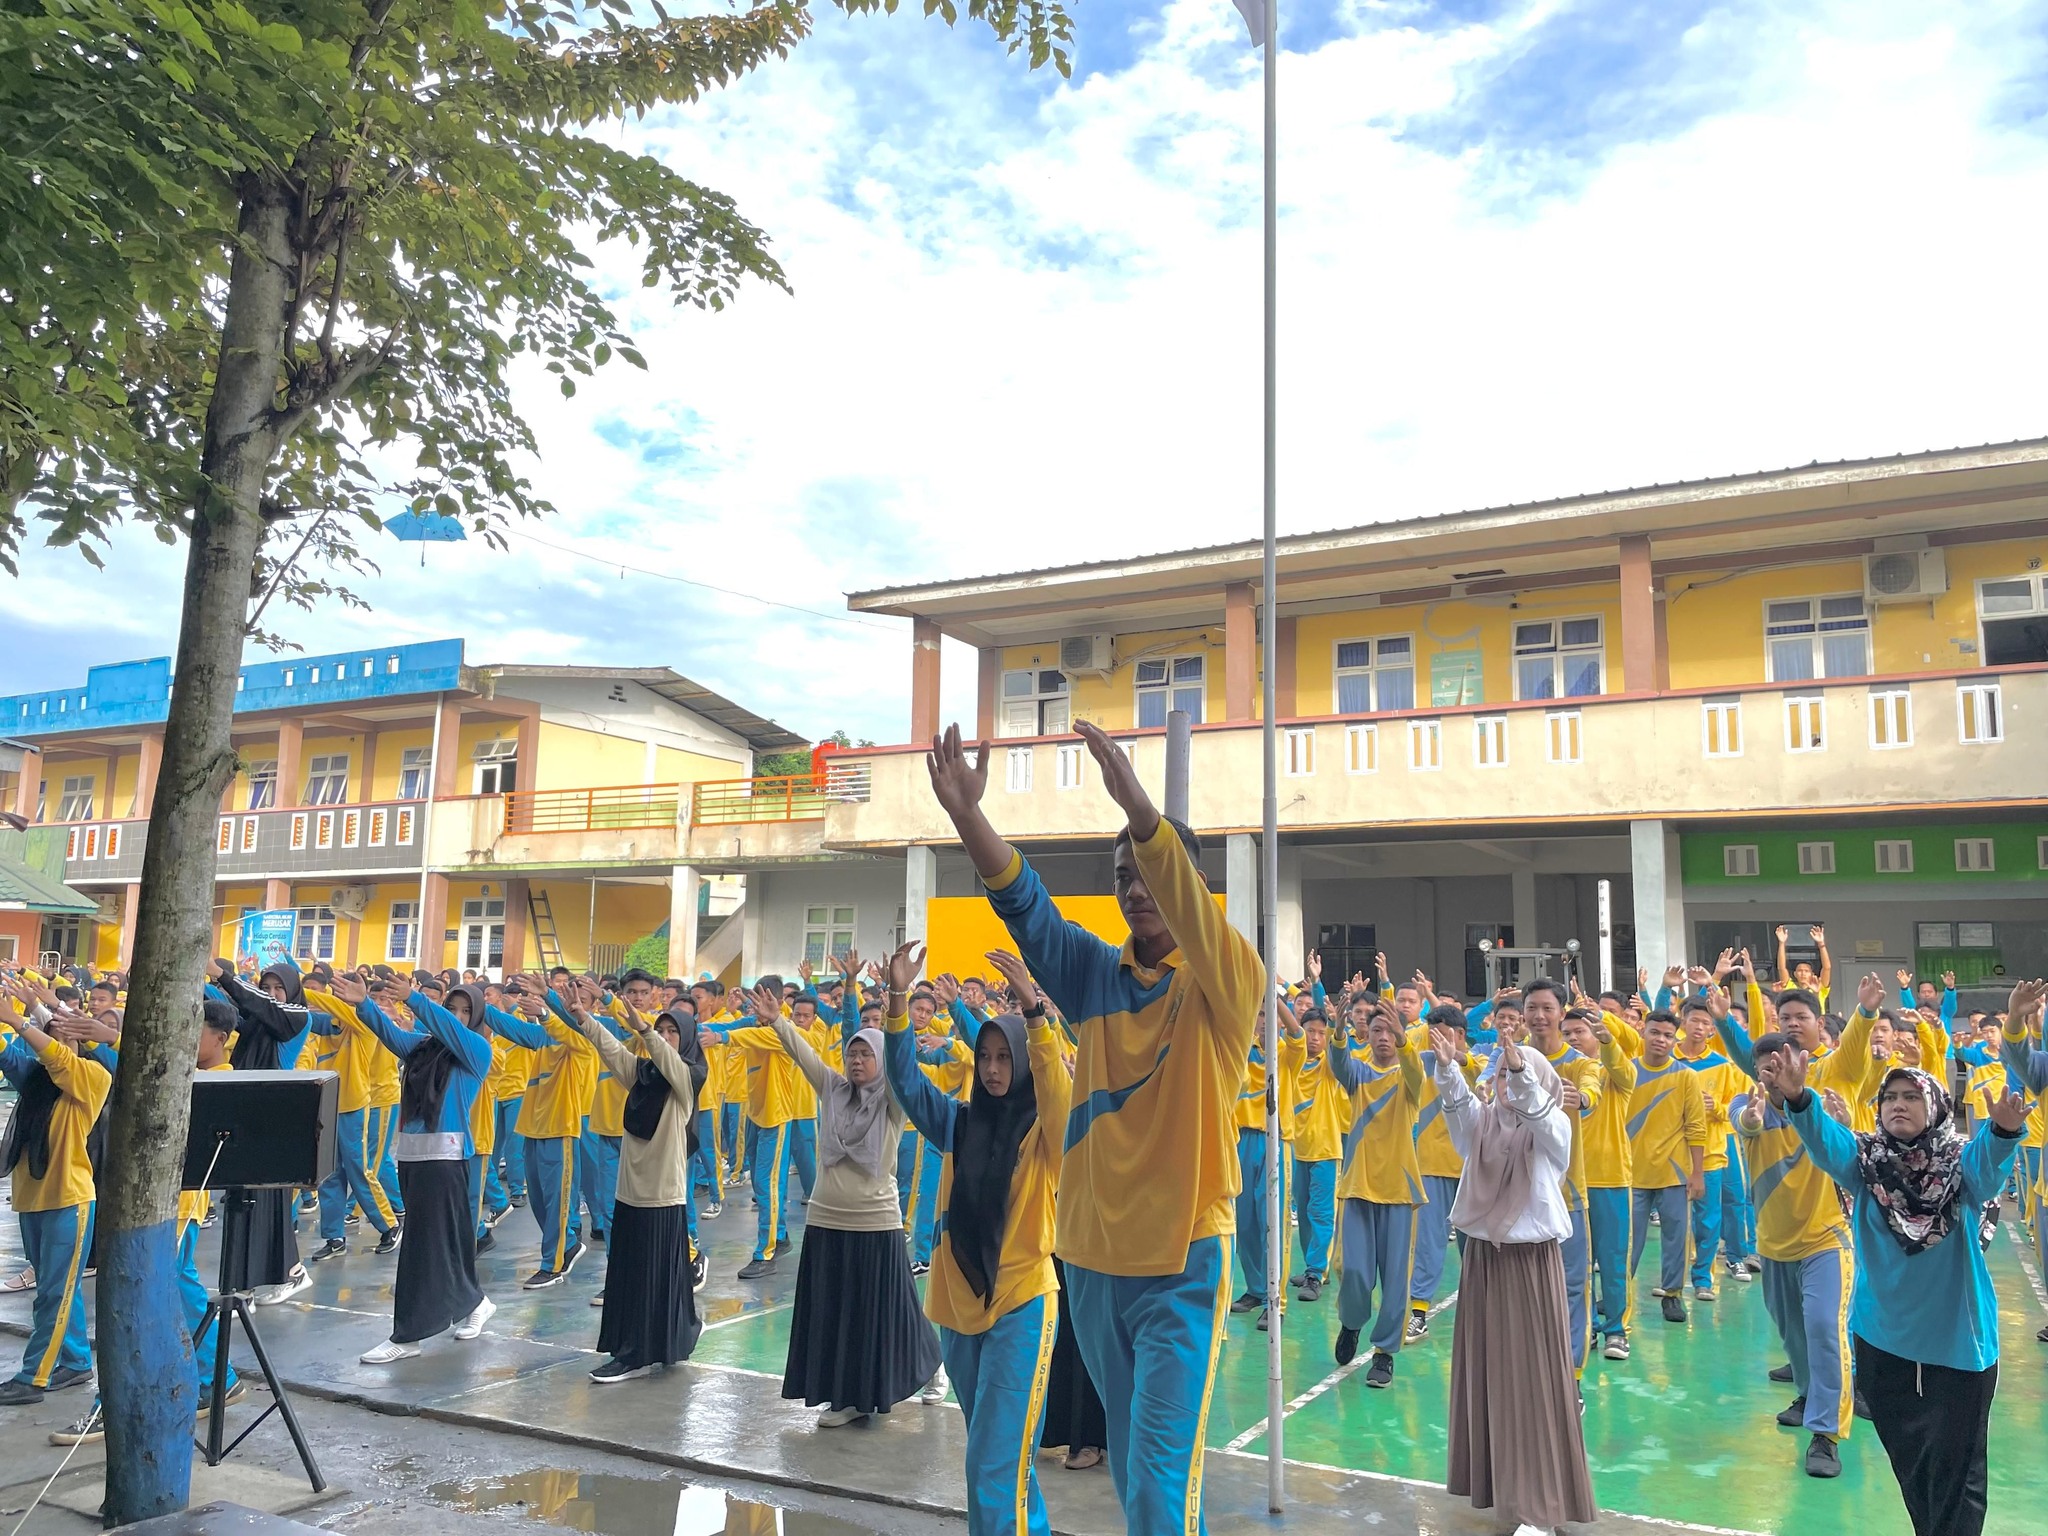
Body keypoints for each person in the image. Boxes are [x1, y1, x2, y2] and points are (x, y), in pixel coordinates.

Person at [928, 720, 1260, 1536]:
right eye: (1122, 875)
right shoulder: (1092, 974)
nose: (1134, 887)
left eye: (1148, 872)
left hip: (1183, 1257)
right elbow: (1030, 912)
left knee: (1155, 1481)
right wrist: (970, 817)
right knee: (1134, 1473)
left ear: (1184, 884)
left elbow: (1176, 884)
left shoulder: (1224, 984)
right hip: (1093, 1260)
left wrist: (1143, 815)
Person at [1762, 1038, 2024, 1536]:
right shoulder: (1866, 1163)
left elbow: (1987, 1176)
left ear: (1935, 1107)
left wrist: (2004, 1132)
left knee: (1957, 1478)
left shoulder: (1959, 1164)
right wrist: (1799, 1101)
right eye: (1890, 1097)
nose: (1898, 1105)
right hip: (1884, 1346)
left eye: (1911, 1096)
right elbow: (1825, 1141)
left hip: (1958, 1351)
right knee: (1913, 1468)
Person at [885, 944, 1072, 1535]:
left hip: (1021, 1302)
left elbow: (1062, 1100)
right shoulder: (957, 1123)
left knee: (995, 1463)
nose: (991, 1068)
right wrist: (895, 1001)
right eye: (984, 1056)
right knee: (996, 1462)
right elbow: (906, 1079)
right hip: (959, 1307)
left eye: (1003, 1058)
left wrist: (1035, 1016)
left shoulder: (1045, 1132)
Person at [1429, 1020, 1595, 1536]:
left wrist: (1521, 1071)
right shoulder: (1485, 1128)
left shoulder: (1554, 1129)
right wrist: (1448, 1068)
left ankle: (1539, 1509)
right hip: (1483, 1259)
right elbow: (1459, 1118)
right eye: (1499, 1074)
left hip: (1527, 1264)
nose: (1503, 1082)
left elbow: (1540, 1114)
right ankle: (1508, 1490)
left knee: (1532, 1384)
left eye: (1513, 1075)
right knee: (1492, 1377)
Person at [762, 976, 940, 1425]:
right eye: (852, 1054)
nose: (857, 1061)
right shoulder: (832, 1090)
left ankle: (926, 1364)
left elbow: (904, 1067)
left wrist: (896, 999)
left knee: (891, 1309)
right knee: (835, 1313)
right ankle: (843, 1396)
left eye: (866, 1054)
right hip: (826, 1220)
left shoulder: (894, 1101)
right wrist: (778, 1022)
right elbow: (802, 1055)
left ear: (881, 1060)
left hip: (875, 1222)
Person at [338, 976, 496, 1361]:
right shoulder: (422, 1048)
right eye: (452, 1008)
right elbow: (388, 1034)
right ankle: (475, 1303)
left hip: (445, 1159)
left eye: (465, 1011)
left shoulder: (476, 1050)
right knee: (447, 1241)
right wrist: (364, 1005)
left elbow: (445, 1028)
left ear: (477, 1020)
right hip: (412, 1157)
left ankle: (407, 1336)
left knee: (421, 1249)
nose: (456, 1017)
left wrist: (417, 1001)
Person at [571, 991, 707, 1383]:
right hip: (630, 1192)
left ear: (686, 1039)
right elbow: (612, 1051)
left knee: (654, 1278)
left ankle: (636, 1355)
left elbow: (667, 1061)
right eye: (661, 1029)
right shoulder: (644, 1076)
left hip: (662, 1196)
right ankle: (667, 1341)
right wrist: (585, 1018)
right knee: (631, 1276)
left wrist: (647, 1030)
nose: (665, 1037)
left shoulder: (687, 1079)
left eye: (672, 1032)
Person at [0, 988, 110, 1405]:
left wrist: (21, 1021)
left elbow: (59, 1059)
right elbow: (9, 1056)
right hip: (31, 1199)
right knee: (58, 1288)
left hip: (69, 1200)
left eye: (64, 1035)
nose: (56, 1043)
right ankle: (76, 1361)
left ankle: (34, 1377)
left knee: (52, 1293)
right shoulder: (35, 1081)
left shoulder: (90, 1078)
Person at [210, 958, 313, 1304]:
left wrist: (223, 974)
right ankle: (275, 1275)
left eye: (278, 988)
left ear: (293, 990)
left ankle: (250, 1286)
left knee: (264, 1201)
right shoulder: (257, 1021)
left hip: (272, 1115)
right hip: (248, 1112)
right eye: (265, 987)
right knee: (249, 1202)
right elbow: (233, 1007)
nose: (271, 995)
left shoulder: (297, 1017)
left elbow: (256, 1003)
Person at [490, 974, 601, 1289]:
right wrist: (476, 1005)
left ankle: (553, 1264)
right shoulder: (543, 1038)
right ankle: (566, 1244)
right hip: (533, 1126)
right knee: (539, 1201)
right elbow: (508, 1026)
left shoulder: (587, 1037)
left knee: (558, 1202)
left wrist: (546, 1009)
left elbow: (568, 1027)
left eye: (579, 1002)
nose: (573, 1005)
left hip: (561, 1127)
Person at [1625, 1010, 1707, 1327]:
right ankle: (1620, 1295)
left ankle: (1672, 1295)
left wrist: (1697, 1172)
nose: (1660, 1040)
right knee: (1628, 1239)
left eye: (1667, 1035)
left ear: (1675, 1039)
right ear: (1643, 1034)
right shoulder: (1627, 1072)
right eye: (1655, 1033)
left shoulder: (1686, 1076)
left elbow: (1695, 1127)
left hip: (1673, 1172)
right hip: (1631, 1172)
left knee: (1676, 1237)